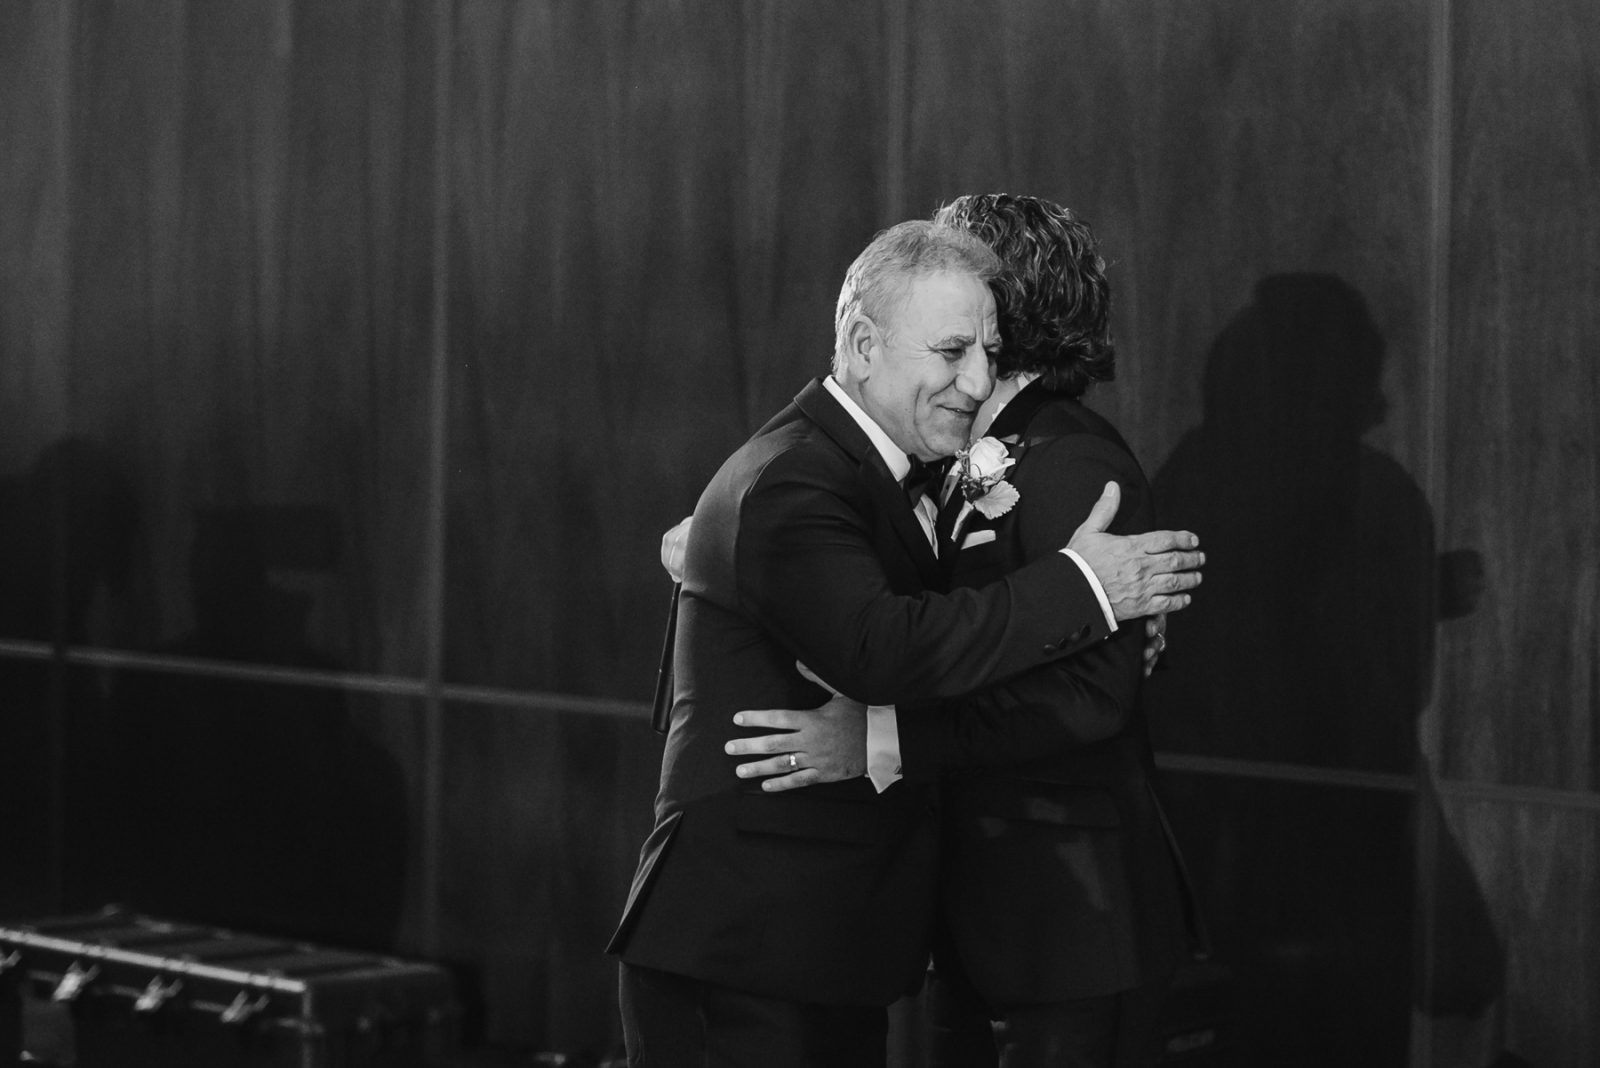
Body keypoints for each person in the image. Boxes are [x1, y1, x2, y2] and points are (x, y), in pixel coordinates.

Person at [608, 219, 1203, 1067]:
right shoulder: (801, 475)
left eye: (987, 351)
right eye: (953, 350)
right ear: (862, 343)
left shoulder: (949, 467)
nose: (977, 378)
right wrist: (1082, 586)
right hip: (749, 940)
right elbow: (887, 646)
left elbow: (1066, 685)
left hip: (953, 929)